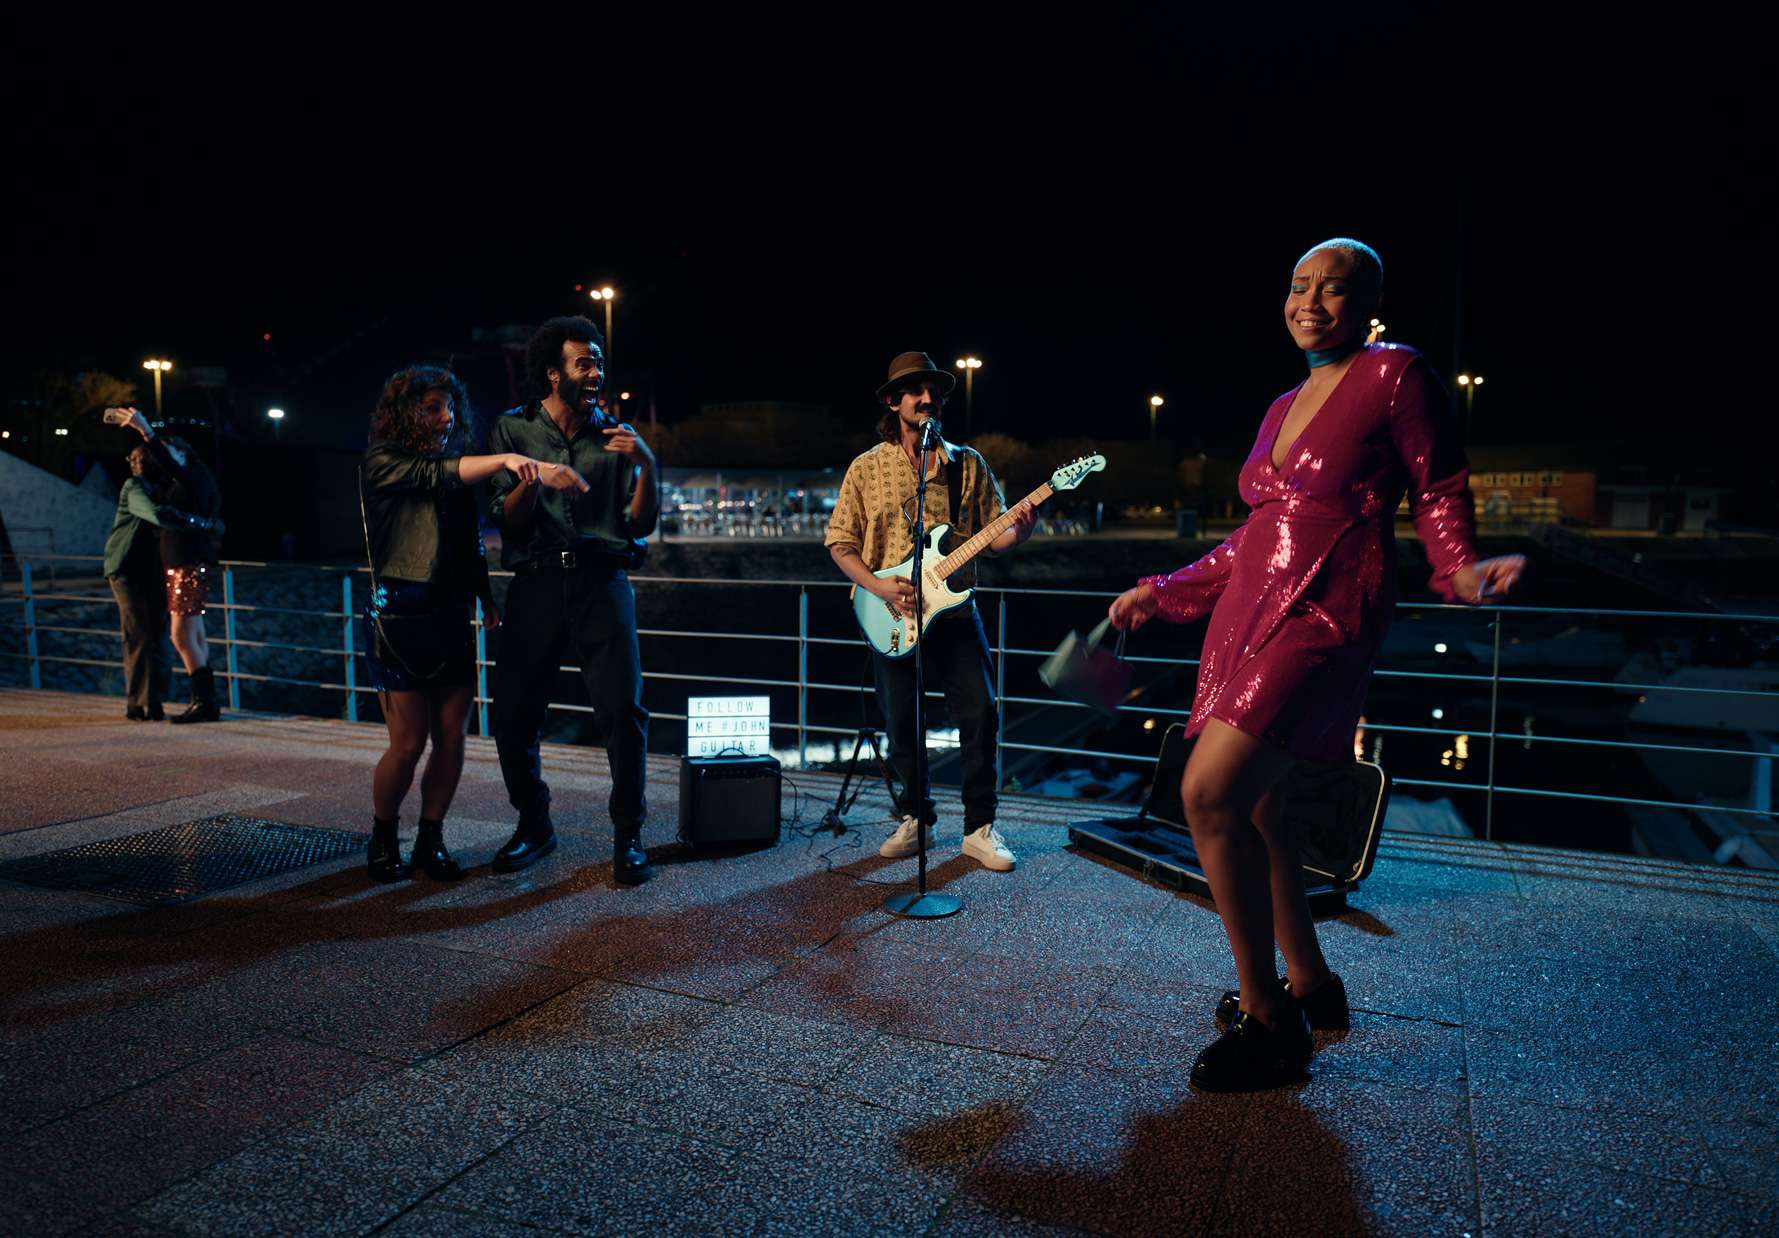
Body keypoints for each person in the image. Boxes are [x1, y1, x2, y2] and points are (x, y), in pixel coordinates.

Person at [1108, 239, 1525, 1092]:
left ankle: (1270, 1021)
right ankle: (1311, 982)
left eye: (1333, 289)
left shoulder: (1395, 373)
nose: (1311, 301)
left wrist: (1458, 567)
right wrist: (1162, 587)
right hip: (1247, 608)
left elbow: (1438, 484)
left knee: (1206, 793)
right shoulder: (1282, 402)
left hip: (1329, 600)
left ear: (1366, 304)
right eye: (1299, 285)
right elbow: (1257, 532)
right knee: (1262, 807)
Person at [358, 366, 589, 882]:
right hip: (399, 612)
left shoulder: (454, 465)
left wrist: (484, 595)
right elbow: (431, 476)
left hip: (450, 610)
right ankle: (382, 835)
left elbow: (467, 539)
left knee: (452, 736)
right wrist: (509, 458)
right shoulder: (381, 460)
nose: (447, 417)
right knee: (408, 741)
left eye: (450, 406)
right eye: (433, 407)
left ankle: (430, 839)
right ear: (405, 411)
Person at [826, 351, 1036, 872]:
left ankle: (979, 829)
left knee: (981, 713)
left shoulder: (967, 463)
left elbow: (999, 532)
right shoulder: (866, 468)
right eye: (914, 390)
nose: (926, 398)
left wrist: (1024, 526)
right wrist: (877, 585)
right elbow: (839, 543)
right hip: (892, 616)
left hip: (958, 612)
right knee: (901, 722)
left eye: (933, 390)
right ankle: (916, 818)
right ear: (894, 402)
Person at [485, 316, 659, 885]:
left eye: (599, 362)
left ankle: (628, 837)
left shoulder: (617, 435)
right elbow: (505, 523)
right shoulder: (513, 432)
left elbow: (641, 524)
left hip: (602, 582)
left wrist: (647, 466)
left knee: (623, 713)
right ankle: (534, 824)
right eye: (584, 362)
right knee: (513, 713)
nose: (595, 372)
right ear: (552, 372)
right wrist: (533, 479)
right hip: (535, 582)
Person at [108, 408, 226, 723]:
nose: (162, 457)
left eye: (169, 451)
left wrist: (145, 429)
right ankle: (205, 701)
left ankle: (204, 701)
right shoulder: (190, 482)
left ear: (182, 456)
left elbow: (169, 472)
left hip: (184, 565)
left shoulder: (190, 477)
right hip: (186, 564)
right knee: (193, 634)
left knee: (181, 636)